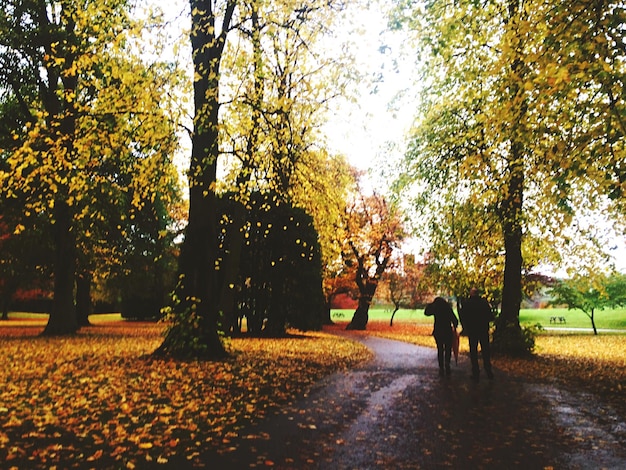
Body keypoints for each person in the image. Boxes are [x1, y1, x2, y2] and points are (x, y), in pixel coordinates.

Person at [459, 288, 494, 381]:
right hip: (483, 330)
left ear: (471, 293)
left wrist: (466, 326)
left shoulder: (467, 304)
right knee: (485, 351)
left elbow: (462, 316)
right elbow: (490, 316)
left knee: (473, 352)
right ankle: (488, 370)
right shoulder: (484, 303)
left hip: (472, 331)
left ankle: (475, 372)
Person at [424, 297, 459, 376]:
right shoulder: (447, 308)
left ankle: (441, 366)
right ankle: (447, 363)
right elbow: (455, 320)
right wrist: (454, 326)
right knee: (448, 348)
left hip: (438, 331)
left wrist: (430, 304)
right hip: (447, 331)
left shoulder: (435, 308)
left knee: (440, 349)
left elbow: (426, 312)